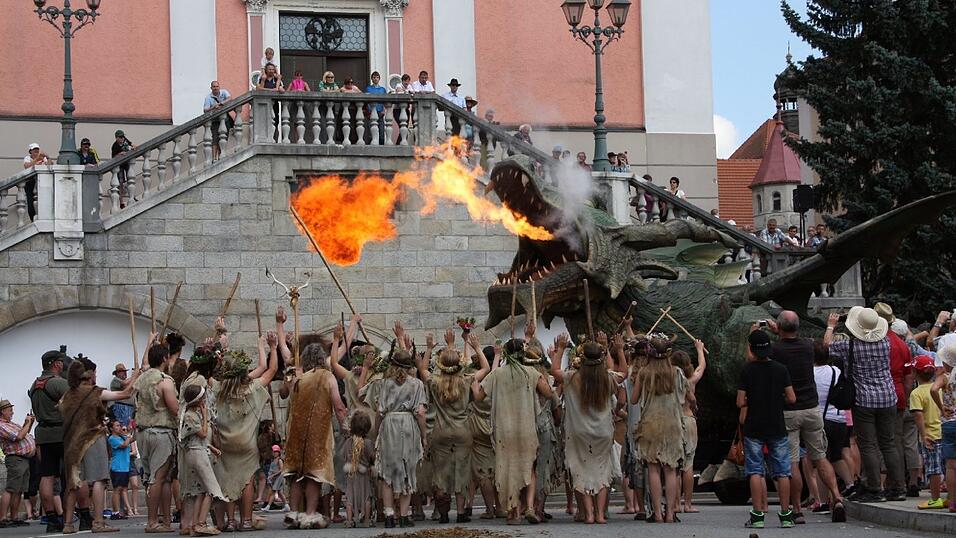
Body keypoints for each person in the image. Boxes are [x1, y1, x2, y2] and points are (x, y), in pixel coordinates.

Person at [766, 311, 847, 523]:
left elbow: (769, 352)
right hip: (812, 408)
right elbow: (808, 342)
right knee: (820, 456)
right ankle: (837, 497)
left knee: (792, 461)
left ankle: (796, 509)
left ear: (780, 328)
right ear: (798, 327)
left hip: (789, 410)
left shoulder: (775, 350)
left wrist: (775, 333)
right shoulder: (809, 347)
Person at [825, 307, 904, 502]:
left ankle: (875, 488)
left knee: (868, 445)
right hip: (888, 397)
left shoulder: (850, 346)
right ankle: (898, 487)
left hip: (864, 400)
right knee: (889, 443)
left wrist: (831, 326)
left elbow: (826, 345)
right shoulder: (885, 343)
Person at [473, 338, 552, 525]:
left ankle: (513, 512)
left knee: (507, 468)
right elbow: (548, 393)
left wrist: (474, 383)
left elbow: (478, 397)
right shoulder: (531, 372)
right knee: (529, 467)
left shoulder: (497, 374)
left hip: (504, 430)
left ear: (506, 354)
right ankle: (530, 507)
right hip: (526, 427)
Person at [418, 330, 490, 524]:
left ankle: (442, 514)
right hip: (462, 431)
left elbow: (423, 370)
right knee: (462, 470)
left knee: (440, 471)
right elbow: (486, 368)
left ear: (440, 364)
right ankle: (459, 513)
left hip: (440, 431)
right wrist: (475, 347)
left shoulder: (434, 382)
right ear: (459, 364)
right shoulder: (466, 381)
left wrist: (429, 348)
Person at [60, 358, 138, 534]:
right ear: (88, 375)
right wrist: (136, 375)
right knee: (99, 480)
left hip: (72, 442)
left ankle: (68, 524)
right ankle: (98, 521)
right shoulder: (95, 393)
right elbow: (125, 394)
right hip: (93, 439)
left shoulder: (66, 396)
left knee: (73, 482)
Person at [211, 334, 278, 532]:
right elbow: (272, 370)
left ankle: (230, 521)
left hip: (225, 443)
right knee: (247, 480)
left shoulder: (217, 389)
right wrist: (272, 347)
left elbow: (207, 372)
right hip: (247, 444)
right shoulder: (253, 389)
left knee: (228, 480)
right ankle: (246, 520)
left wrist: (217, 347)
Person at [555, 338, 621, 524]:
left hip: (578, 432)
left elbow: (554, 371)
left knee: (579, 470)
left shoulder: (572, 377)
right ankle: (600, 514)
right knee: (602, 471)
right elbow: (622, 373)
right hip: (603, 432)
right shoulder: (607, 378)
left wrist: (560, 349)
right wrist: (616, 350)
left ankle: (588, 514)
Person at [282, 340, 346, 530]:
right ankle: (309, 514)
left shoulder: (296, 376)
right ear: (321, 358)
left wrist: (291, 372)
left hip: (295, 430)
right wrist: (346, 427)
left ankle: (293, 512)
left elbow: (283, 393)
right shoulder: (327, 376)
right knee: (313, 473)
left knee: (295, 472)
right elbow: (339, 405)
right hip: (318, 431)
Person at [739, 329, 796, 529]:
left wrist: (751, 398)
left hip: (754, 424)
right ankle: (786, 514)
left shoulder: (747, 370)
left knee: (755, 470)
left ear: (752, 350)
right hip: (776, 423)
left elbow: (740, 402)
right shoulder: (781, 369)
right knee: (782, 471)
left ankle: (757, 516)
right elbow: (792, 398)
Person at [631, 335, 688, 524]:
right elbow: (687, 394)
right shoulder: (677, 372)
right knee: (671, 469)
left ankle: (656, 513)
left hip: (650, 423)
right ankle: (670, 513)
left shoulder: (644, 372)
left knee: (653, 469)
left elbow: (634, 399)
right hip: (672, 423)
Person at [373, 349, 427, 529]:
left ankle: (389, 515)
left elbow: (379, 411)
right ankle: (404, 516)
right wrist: (424, 436)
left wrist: (376, 432)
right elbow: (420, 412)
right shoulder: (417, 384)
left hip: (389, 424)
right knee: (407, 470)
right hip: (408, 425)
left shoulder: (384, 384)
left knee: (388, 472)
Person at [133, 338, 181, 533]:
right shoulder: (164, 381)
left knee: (162, 478)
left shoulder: (142, 378)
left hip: (142, 432)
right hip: (161, 432)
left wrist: (150, 343)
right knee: (158, 478)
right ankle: (153, 521)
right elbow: (174, 408)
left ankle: (166, 520)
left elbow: (145, 364)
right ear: (164, 358)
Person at [873, 302, 921, 496]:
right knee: (898, 441)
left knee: (878, 442)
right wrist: (905, 394)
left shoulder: (878, 342)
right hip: (900, 395)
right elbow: (909, 375)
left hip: (878, 397)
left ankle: (883, 483)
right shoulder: (902, 344)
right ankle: (901, 483)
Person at [28, 349, 69, 533]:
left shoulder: (34, 385)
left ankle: (51, 519)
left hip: (43, 434)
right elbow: (73, 403)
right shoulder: (58, 383)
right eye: (61, 362)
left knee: (47, 476)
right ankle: (83, 515)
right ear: (56, 364)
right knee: (75, 474)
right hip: (61, 432)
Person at [178, 383, 225, 537]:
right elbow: (203, 434)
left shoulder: (192, 414)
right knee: (211, 489)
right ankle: (201, 523)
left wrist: (212, 448)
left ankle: (195, 524)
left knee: (200, 490)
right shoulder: (191, 416)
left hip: (198, 451)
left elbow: (199, 440)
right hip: (197, 455)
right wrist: (205, 416)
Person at [812, 341, 855, 495]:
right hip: (840, 419)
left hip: (820, 419)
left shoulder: (810, 373)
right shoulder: (836, 371)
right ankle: (850, 484)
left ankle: (823, 500)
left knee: (821, 460)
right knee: (837, 456)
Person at [671, 340, 706, 513]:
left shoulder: (669, 380)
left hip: (674, 420)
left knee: (675, 465)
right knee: (688, 463)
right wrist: (699, 349)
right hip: (689, 419)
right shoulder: (691, 380)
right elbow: (701, 366)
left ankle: (675, 503)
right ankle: (688, 504)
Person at [909, 355, 944, 509]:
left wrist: (923, 436)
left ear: (915, 373)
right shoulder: (940, 388)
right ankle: (950, 497)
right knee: (949, 466)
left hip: (930, 434)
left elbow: (918, 415)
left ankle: (935, 498)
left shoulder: (916, 393)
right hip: (945, 431)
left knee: (933, 468)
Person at [0, 400, 35, 528]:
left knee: (18, 490)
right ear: (2, 411)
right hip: (15, 459)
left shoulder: (11, 424)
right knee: (11, 488)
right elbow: (19, 436)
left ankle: (14, 517)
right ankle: (2, 518)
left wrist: (28, 423)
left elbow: (24, 432)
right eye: (9, 410)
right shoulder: (2, 426)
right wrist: (27, 424)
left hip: (23, 459)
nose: (12, 412)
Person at [930, 345, 956, 512]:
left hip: (950, 422)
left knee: (951, 466)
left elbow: (933, 389)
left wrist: (941, 408)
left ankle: (953, 503)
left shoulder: (945, 377)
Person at [339, 411, 374, 528]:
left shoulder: (348, 442)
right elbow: (371, 457)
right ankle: (367, 520)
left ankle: (349, 520)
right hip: (364, 476)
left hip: (351, 475)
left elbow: (343, 456)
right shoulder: (368, 443)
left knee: (350, 497)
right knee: (366, 497)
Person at [107, 420, 133, 520]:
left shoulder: (123, 437)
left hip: (125, 467)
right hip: (117, 467)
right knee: (117, 489)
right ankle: (115, 512)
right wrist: (127, 436)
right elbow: (123, 445)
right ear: (111, 428)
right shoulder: (112, 438)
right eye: (117, 426)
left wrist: (133, 429)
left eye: (120, 425)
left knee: (123, 489)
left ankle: (120, 511)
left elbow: (132, 439)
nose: (120, 427)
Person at [22, 143, 52, 221]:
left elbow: (51, 165)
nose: (36, 152)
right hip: (30, 183)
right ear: (30, 151)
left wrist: (47, 157)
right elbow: (27, 166)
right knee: (30, 203)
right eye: (34, 150)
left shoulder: (42, 158)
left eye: (37, 150)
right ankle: (32, 219)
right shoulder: (27, 158)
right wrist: (37, 159)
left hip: (41, 182)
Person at [203, 81, 233, 159]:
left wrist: (221, 103)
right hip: (215, 121)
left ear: (219, 87)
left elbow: (230, 98)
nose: (216, 88)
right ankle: (214, 159)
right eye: (214, 86)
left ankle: (221, 157)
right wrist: (213, 107)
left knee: (223, 138)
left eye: (217, 86)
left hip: (225, 120)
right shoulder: (208, 97)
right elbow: (205, 110)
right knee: (215, 139)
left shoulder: (224, 92)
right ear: (211, 88)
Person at [110, 130, 135, 199]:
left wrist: (133, 146)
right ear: (116, 138)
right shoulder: (115, 146)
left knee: (130, 178)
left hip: (126, 163)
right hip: (120, 165)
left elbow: (131, 144)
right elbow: (113, 157)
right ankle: (121, 198)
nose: (122, 138)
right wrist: (119, 154)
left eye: (123, 137)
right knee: (120, 181)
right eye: (120, 137)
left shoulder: (125, 140)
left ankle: (132, 195)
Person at [365, 72, 387, 144]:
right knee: (371, 133)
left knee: (381, 133)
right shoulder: (368, 88)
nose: (375, 79)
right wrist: (368, 110)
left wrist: (384, 110)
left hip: (380, 112)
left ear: (379, 79)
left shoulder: (382, 89)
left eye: (377, 77)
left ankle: (382, 148)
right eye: (374, 77)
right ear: (372, 79)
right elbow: (366, 101)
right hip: (371, 113)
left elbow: (385, 102)